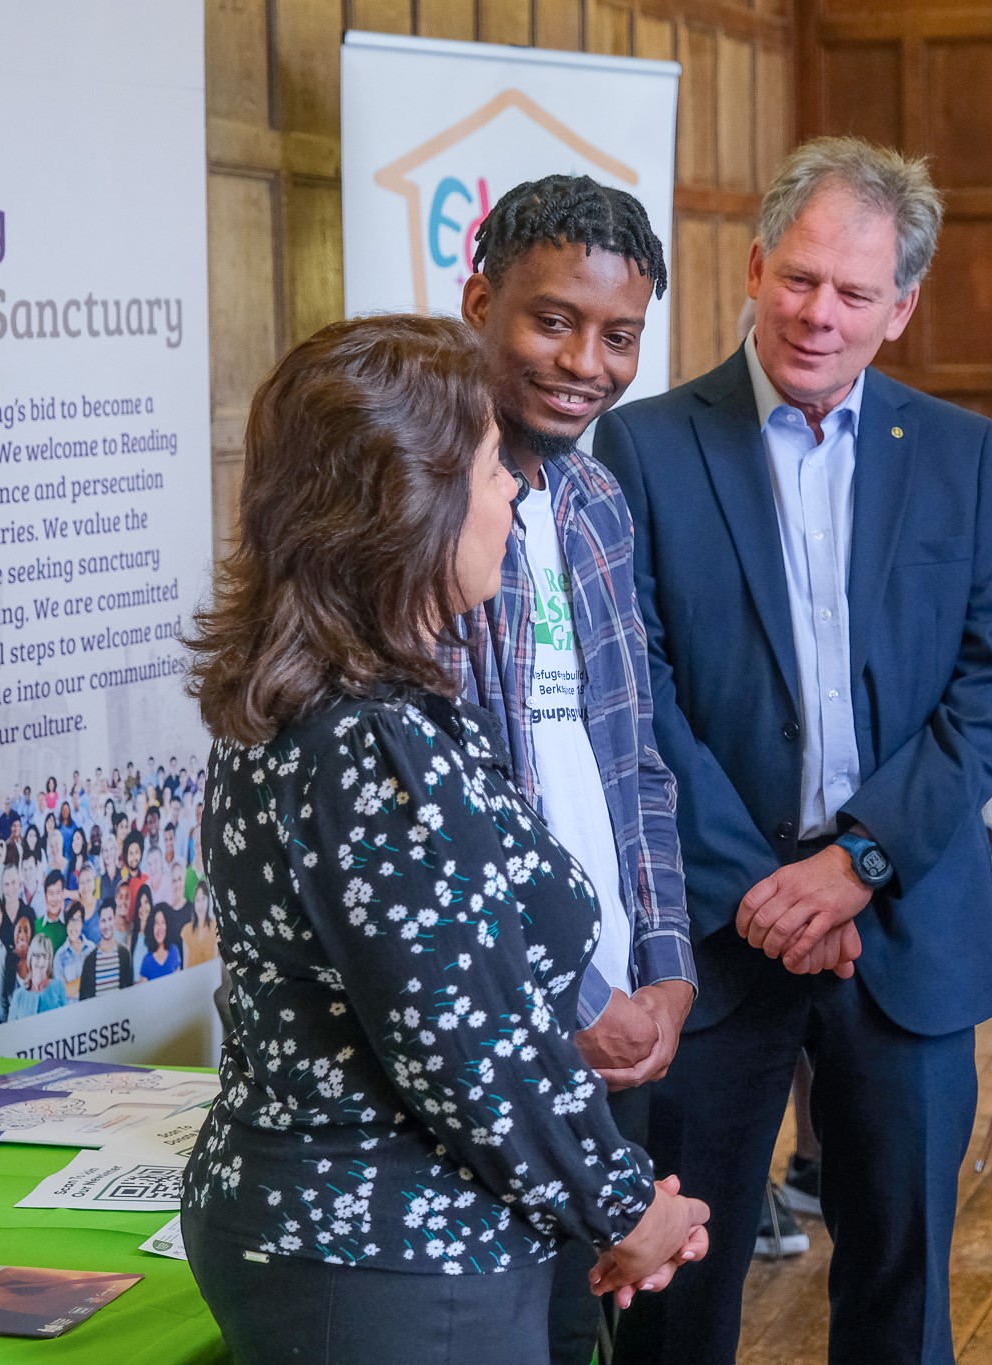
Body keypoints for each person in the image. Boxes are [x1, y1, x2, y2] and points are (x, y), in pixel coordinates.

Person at [178, 314, 710, 1365]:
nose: (510, 490)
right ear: (405, 506)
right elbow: (469, 1046)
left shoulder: (370, 705)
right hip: (381, 1264)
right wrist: (621, 1207)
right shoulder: (361, 743)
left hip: (404, 1245)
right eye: (484, 466)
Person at [601, 137, 992, 1365]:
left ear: (899, 308)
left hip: (899, 932)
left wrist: (855, 867)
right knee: (676, 1293)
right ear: (749, 268)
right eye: (797, 279)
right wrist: (767, 892)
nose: (817, 315)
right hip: (710, 939)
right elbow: (636, 699)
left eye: (853, 294)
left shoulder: (955, 454)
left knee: (900, 1290)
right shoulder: (644, 448)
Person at [450, 172, 697, 1364]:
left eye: (618, 337)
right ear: (479, 300)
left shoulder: (598, 498)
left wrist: (663, 970)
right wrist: (577, 1002)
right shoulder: (421, 510)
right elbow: (455, 832)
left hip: (619, 1010)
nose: (584, 364)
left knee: (595, 1332)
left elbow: (631, 758)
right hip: (500, 1021)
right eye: (552, 321)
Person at [79, 904, 133, 998]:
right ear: (99, 923)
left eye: (110, 919)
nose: (107, 925)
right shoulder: (89, 960)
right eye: (103, 921)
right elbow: (83, 998)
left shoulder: (124, 955)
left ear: (115, 920)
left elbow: (130, 992)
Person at [8, 937, 67, 1018]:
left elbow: (66, 1019)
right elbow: (11, 1026)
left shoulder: (58, 986)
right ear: (30, 958)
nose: (41, 961)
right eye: (37, 956)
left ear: (49, 960)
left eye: (45, 956)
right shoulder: (18, 995)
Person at [136, 903, 181, 980]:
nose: (160, 928)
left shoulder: (174, 950)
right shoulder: (147, 960)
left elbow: (179, 981)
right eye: (156, 923)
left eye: (163, 922)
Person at [180, 881, 217, 969]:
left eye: (203, 899)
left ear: (208, 900)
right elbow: (185, 967)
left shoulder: (215, 926)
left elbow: (216, 962)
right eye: (197, 900)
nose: (200, 905)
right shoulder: (186, 930)